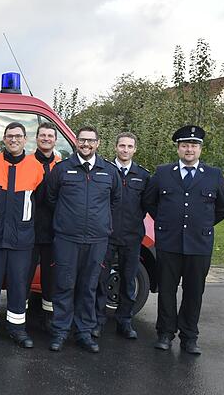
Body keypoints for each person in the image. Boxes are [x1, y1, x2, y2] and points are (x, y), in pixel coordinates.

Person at [144, 125, 224, 355]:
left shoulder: (213, 175)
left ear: (200, 149)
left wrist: (204, 224)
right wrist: (163, 222)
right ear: (178, 148)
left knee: (194, 292)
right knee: (166, 291)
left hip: (199, 244)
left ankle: (189, 337)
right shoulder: (163, 172)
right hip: (169, 243)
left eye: (194, 145)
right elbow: (149, 201)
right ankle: (165, 334)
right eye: (185, 145)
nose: (189, 149)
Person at [44, 126, 121, 353]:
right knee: (64, 285)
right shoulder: (62, 169)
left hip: (97, 240)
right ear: (76, 142)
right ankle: (60, 332)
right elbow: (51, 198)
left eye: (90, 141)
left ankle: (84, 333)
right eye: (82, 140)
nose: (86, 144)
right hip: (67, 239)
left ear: (98, 143)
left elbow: (115, 200)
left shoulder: (109, 171)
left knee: (89, 287)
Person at [0, 122, 45, 348]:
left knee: (18, 285)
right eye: (9, 136)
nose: (13, 140)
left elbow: (41, 203)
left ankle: (18, 330)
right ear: (3, 140)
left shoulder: (36, 168)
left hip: (22, 239)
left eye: (18, 136)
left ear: (26, 139)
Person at [93, 132, 150, 340]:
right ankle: (97, 321)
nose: (125, 150)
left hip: (132, 238)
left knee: (128, 281)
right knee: (101, 280)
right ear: (115, 147)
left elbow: (147, 206)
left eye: (129, 146)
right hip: (106, 236)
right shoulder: (105, 171)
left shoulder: (143, 176)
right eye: (122, 146)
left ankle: (124, 322)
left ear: (135, 149)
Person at [28, 122, 61, 330]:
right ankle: (20, 319)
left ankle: (49, 321)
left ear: (55, 140)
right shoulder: (27, 162)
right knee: (24, 276)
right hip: (29, 230)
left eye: (50, 135)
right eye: (42, 135)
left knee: (50, 280)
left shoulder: (61, 165)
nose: (46, 138)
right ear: (36, 138)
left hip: (53, 232)